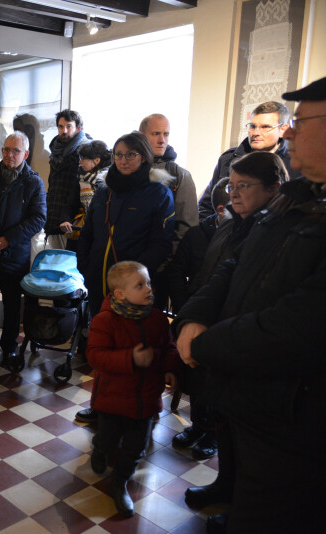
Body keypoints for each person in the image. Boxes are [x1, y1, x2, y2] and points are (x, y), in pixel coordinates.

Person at [174, 76, 326, 533]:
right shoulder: (297, 200)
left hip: (295, 418)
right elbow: (232, 267)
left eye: (300, 121)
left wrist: (203, 345)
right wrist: (194, 315)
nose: (291, 133)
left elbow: (298, 325)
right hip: (255, 397)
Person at [74, 132, 175, 425]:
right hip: (99, 283)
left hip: (132, 290)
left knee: (132, 348)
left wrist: (134, 280)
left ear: (143, 156)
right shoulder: (105, 191)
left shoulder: (158, 193)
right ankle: (101, 405)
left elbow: (161, 244)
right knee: (105, 348)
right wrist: (85, 264)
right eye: (118, 154)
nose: (123, 160)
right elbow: (89, 233)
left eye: (130, 154)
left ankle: (139, 410)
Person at [87, 261, 180, 518]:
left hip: (146, 399)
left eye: (148, 282)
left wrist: (170, 367)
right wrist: (130, 359)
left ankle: (120, 482)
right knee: (108, 438)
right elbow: (95, 356)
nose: (149, 288)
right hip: (113, 400)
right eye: (140, 285)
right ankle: (100, 448)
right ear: (120, 294)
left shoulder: (158, 318)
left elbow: (169, 346)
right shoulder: (105, 320)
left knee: (135, 448)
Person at [0, 131, 46, 367]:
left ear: (25, 154)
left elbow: (38, 218)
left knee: (12, 305)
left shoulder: (33, 182)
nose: (9, 155)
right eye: (6, 149)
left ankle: (10, 349)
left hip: (14, 253)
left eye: (15, 151)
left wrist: (7, 239)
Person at [198, 101, 301, 219]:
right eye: (252, 126)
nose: (256, 133)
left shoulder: (297, 163)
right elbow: (206, 206)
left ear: (283, 130)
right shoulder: (228, 159)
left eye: (265, 127)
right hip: (228, 232)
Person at [166, 177, 231, 313]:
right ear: (221, 210)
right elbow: (176, 272)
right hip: (196, 306)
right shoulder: (197, 234)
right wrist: (183, 307)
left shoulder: (246, 232)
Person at [139, 113, 198, 249]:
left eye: (166, 134)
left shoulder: (180, 176)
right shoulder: (124, 170)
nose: (162, 140)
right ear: (141, 135)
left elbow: (186, 230)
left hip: (160, 264)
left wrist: (167, 264)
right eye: (156, 134)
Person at [45, 109, 91, 248]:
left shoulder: (86, 152)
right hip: (53, 212)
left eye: (68, 126)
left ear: (78, 128)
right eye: (60, 126)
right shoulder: (55, 149)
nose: (64, 130)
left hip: (74, 219)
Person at [62, 140, 111, 251]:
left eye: (84, 158)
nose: (80, 161)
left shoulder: (109, 180)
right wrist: (66, 220)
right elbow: (71, 203)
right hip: (82, 229)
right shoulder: (80, 177)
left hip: (103, 231)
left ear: (97, 160)